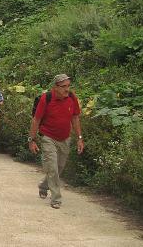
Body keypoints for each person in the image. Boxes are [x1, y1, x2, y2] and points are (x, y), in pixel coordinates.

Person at [28, 73, 84, 209]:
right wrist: (32, 139)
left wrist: (80, 138)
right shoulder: (46, 98)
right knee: (52, 168)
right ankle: (56, 198)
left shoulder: (72, 97)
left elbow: (75, 118)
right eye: (63, 86)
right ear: (55, 87)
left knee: (59, 168)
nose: (67, 89)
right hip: (48, 138)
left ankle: (43, 185)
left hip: (65, 138)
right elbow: (36, 120)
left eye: (68, 86)